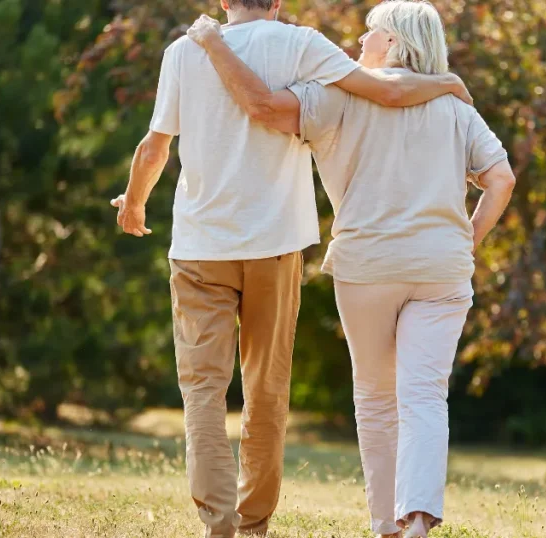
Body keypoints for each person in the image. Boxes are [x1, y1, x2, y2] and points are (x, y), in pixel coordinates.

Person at [110, 0, 473, 536]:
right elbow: (389, 91)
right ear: (277, 2)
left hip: (199, 248)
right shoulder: (302, 44)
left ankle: (218, 522)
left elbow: (155, 144)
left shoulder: (183, 50)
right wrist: (448, 84)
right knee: (267, 388)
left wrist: (135, 201)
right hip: (275, 244)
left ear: (226, 1)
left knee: (203, 391)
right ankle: (254, 523)